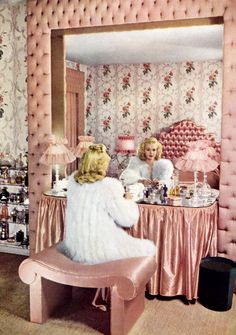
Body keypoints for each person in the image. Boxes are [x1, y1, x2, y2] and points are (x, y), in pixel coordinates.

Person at [58, 144, 155, 265]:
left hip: (74, 247)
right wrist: (128, 200)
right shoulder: (109, 185)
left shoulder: (73, 181)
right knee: (148, 248)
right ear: (101, 165)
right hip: (98, 250)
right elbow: (127, 219)